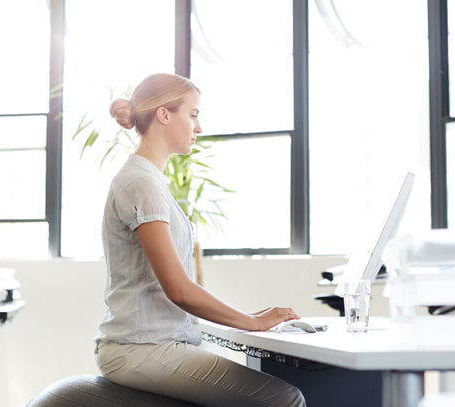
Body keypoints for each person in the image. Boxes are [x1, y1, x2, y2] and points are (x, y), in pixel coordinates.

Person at [95, 73, 306, 407]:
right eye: (193, 114)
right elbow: (178, 289)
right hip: (140, 350)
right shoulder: (141, 183)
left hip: (154, 344)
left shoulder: (149, 180)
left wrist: (247, 317)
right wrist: (251, 322)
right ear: (164, 114)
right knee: (285, 398)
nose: (199, 126)